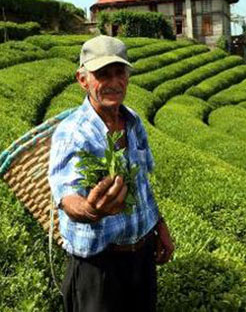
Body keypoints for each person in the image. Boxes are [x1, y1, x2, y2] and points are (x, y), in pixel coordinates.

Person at [48, 35, 174, 312]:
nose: (114, 82)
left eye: (120, 73)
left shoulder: (132, 120)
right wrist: (91, 209)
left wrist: (159, 225)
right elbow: (66, 195)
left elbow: (142, 184)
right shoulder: (72, 133)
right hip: (98, 267)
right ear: (83, 80)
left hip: (140, 258)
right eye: (102, 74)